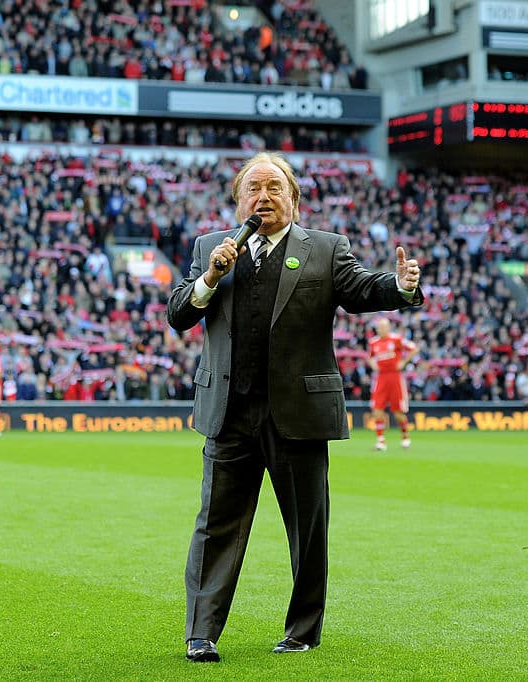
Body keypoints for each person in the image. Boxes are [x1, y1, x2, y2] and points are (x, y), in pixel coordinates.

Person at [166, 152, 424, 663]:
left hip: (299, 414)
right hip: (230, 414)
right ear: (238, 200)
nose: (263, 197)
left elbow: (360, 289)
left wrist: (400, 286)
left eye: (274, 188)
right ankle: (201, 634)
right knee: (215, 525)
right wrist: (211, 277)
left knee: (308, 528)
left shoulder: (326, 250)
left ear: (294, 199)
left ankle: (303, 630)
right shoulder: (209, 249)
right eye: (253, 189)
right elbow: (179, 314)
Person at [367, 317, 418, 451]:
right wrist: (373, 365)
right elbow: (370, 357)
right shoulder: (373, 342)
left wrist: (403, 362)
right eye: (379, 327)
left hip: (395, 378)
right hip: (381, 378)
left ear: (388, 328)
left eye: (383, 327)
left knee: (398, 413)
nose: (381, 329)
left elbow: (413, 348)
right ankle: (381, 442)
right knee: (377, 410)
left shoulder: (397, 339)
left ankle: (405, 437)